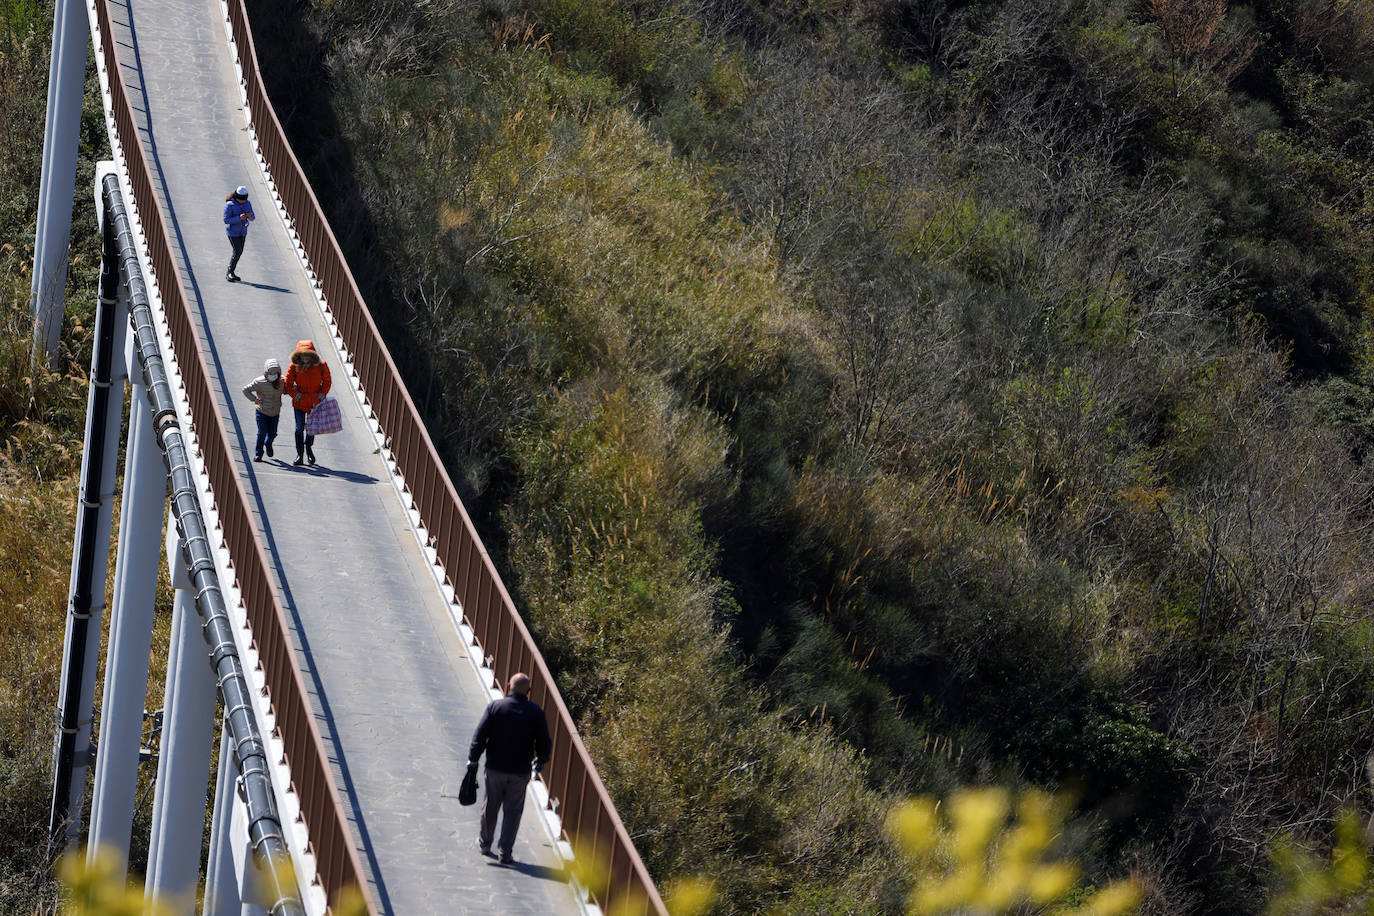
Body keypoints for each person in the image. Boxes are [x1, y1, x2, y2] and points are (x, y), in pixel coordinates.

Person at [467, 672, 552, 864]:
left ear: (507, 686)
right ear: (528, 691)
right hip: (520, 771)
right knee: (513, 812)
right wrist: (542, 760)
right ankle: (505, 851)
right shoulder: (536, 712)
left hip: (495, 767)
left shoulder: (496, 707)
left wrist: (473, 759)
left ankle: (485, 843)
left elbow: (480, 736)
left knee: (490, 806)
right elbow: (544, 741)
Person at [283, 339, 331, 466]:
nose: (305, 358)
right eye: (302, 355)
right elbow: (288, 384)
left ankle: (308, 447)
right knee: (299, 428)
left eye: (307, 355)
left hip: (314, 402)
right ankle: (300, 454)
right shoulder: (294, 366)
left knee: (311, 428)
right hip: (299, 402)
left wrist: (321, 395)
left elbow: (327, 382)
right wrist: (295, 395)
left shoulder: (321, 365)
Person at [240, 358, 284, 462]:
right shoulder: (259, 382)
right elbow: (246, 390)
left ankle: (268, 443)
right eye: (270, 372)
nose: (273, 375)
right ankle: (258, 453)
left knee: (273, 433)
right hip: (262, 411)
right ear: (266, 372)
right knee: (261, 432)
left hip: (275, 412)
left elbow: (288, 389)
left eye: (275, 373)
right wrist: (254, 399)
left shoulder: (282, 382)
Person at [223, 186, 255, 282]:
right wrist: (239, 218)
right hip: (233, 232)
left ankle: (231, 272)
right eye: (241, 200)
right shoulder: (229, 205)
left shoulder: (247, 203)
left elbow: (253, 218)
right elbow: (226, 220)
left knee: (239, 252)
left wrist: (249, 216)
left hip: (243, 232)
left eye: (244, 200)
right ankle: (229, 272)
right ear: (236, 197)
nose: (243, 202)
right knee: (237, 251)